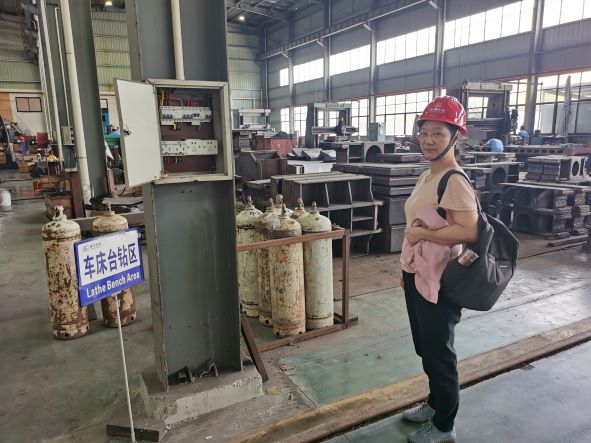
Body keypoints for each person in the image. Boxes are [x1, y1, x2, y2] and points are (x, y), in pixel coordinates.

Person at [400, 96, 479, 443]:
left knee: (439, 352)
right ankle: (434, 404)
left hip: (440, 279)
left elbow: (469, 231)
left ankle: (445, 425)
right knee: (426, 347)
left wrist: (423, 235)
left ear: (455, 137)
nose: (429, 140)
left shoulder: (453, 180)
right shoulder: (428, 175)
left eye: (438, 133)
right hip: (418, 274)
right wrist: (406, 268)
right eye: (425, 132)